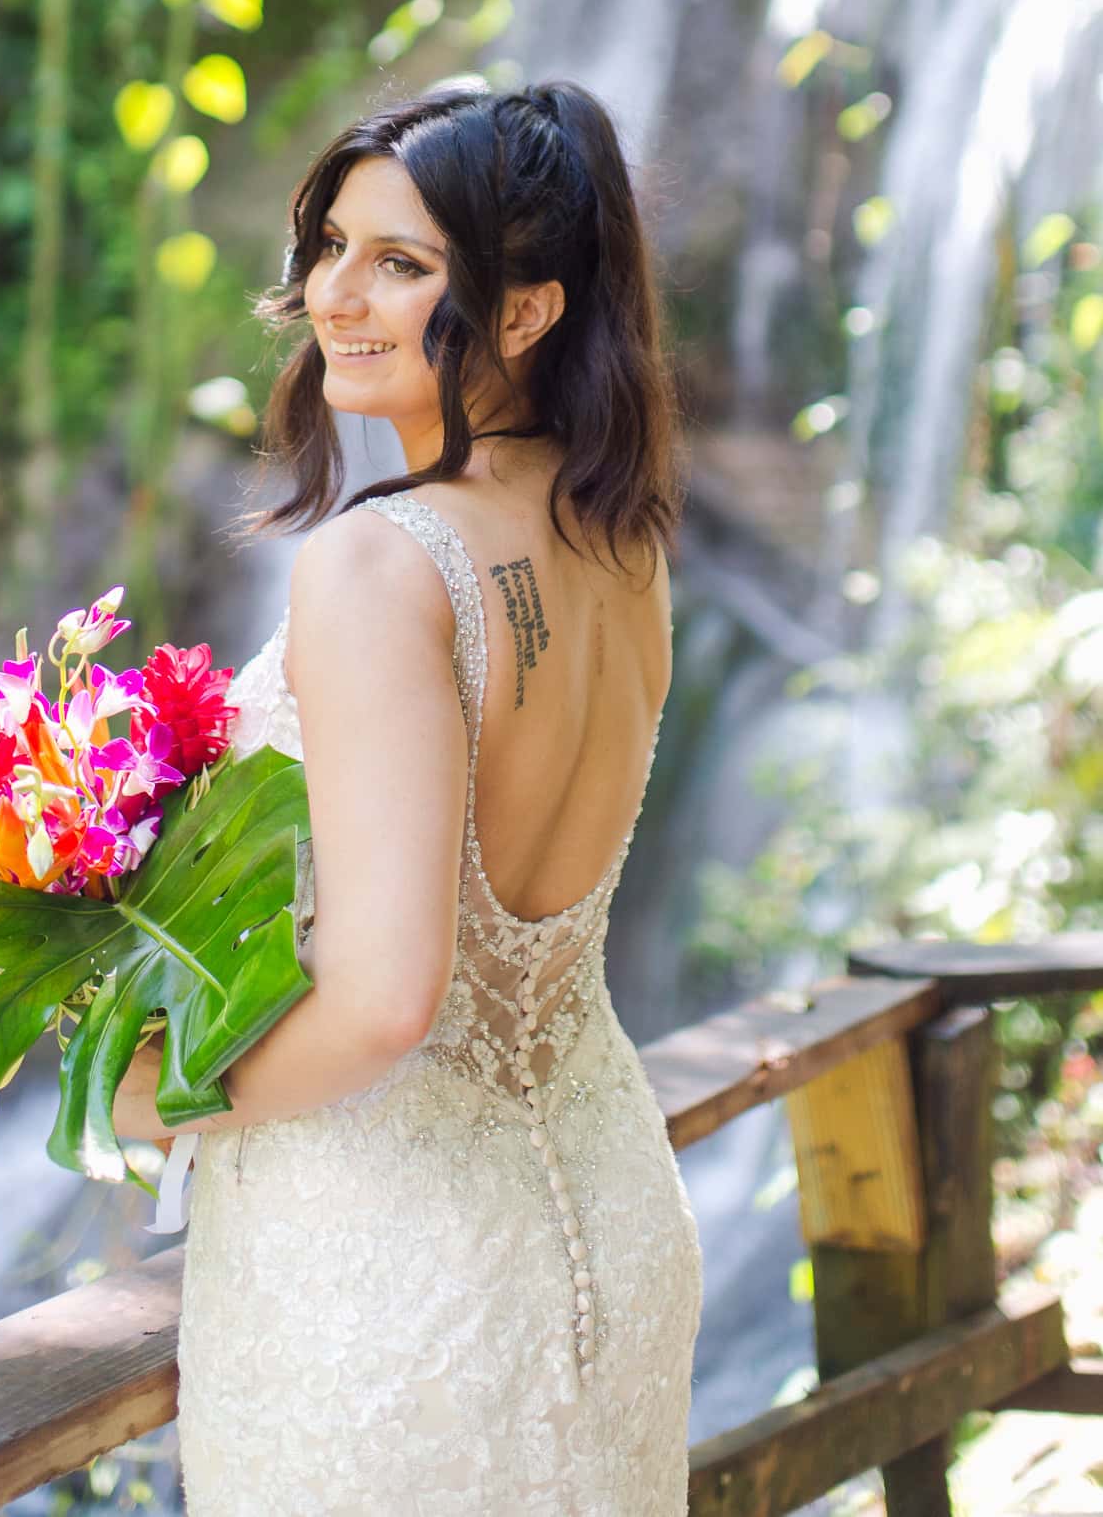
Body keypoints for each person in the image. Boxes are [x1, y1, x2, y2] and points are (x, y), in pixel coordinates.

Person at [111, 78, 703, 1513]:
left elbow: (387, 999)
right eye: (331, 246)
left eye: (403, 263)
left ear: (524, 310)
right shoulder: (620, 538)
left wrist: (156, 1097)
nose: (335, 295)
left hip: (392, 1269)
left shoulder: (380, 565)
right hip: (606, 1212)